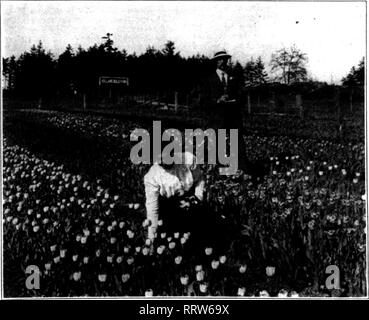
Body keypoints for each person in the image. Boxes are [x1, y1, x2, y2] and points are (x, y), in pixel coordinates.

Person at [194, 50, 247, 172]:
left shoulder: (234, 78)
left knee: (237, 144)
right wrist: (217, 101)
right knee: (216, 146)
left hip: (233, 117)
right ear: (215, 62)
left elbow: (242, 96)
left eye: (224, 59)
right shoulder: (208, 80)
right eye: (219, 59)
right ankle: (217, 172)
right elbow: (203, 102)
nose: (222, 62)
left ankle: (241, 170)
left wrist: (235, 100)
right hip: (216, 118)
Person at [143, 151, 205, 242]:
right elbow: (153, 209)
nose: (164, 162)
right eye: (159, 159)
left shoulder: (188, 160)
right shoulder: (152, 176)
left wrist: (197, 199)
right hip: (169, 211)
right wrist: (151, 239)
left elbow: (199, 180)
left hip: (192, 204)